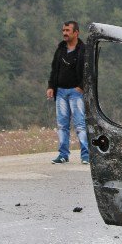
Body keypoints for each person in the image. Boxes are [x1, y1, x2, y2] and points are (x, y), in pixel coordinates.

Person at [46, 20, 89, 165]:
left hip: (76, 92)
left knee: (80, 124)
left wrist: (82, 86)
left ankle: (86, 155)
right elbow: (54, 68)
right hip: (61, 93)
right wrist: (51, 86)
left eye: (67, 31)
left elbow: (89, 70)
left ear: (76, 32)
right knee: (62, 125)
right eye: (63, 30)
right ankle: (63, 154)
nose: (64, 33)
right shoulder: (60, 49)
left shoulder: (83, 49)